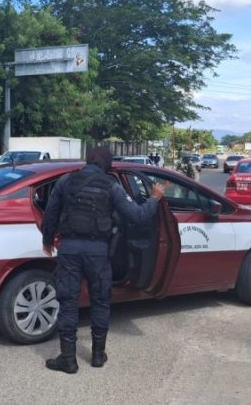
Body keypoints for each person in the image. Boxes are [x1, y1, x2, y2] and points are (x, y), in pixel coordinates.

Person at [42, 147, 165, 374]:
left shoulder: (66, 181)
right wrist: (155, 198)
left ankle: (68, 360)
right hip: (98, 252)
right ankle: (98, 356)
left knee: (68, 303)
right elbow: (137, 216)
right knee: (100, 302)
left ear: (87, 160)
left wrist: (47, 241)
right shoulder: (112, 186)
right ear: (108, 164)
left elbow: (51, 213)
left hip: (69, 249)